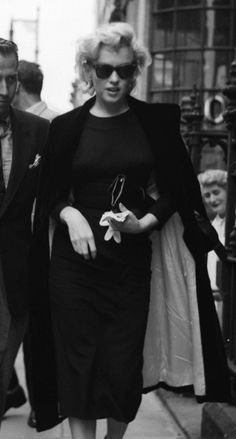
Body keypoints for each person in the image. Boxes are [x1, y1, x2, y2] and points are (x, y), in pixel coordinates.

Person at [29, 22, 230, 438]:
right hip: (74, 267)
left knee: (122, 368)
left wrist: (145, 222)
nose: (114, 79)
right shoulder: (66, 128)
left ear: (136, 71)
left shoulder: (154, 123)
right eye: (104, 70)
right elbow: (48, 193)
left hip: (130, 266)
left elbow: (177, 189)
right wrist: (70, 214)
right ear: (89, 70)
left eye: (124, 70)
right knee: (78, 362)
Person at [5, 58, 59, 428]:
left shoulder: (42, 129)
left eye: (10, 79)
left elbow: (57, 193)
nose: (3, 87)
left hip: (18, 269)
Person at [198, 169, 227, 324]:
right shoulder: (212, 224)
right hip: (213, 299)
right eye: (207, 195)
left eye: (216, 192)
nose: (212, 199)